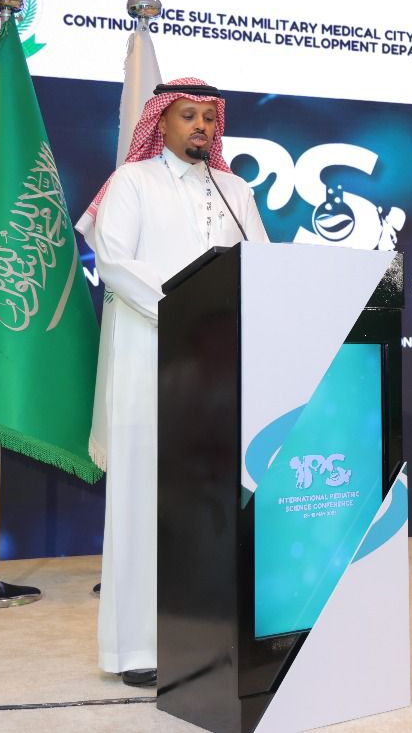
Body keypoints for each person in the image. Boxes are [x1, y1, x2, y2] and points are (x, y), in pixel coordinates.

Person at [76, 78, 270, 686]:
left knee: (214, 505)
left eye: (208, 118)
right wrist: (189, 310)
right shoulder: (132, 182)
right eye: (188, 116)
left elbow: (263, 265)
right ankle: (139, 648)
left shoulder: (236, 191)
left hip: (221, 367)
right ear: (161, 122)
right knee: (146, 500)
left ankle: (211, 638)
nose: (200, 127)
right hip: (150, 359)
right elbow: (115, 263)